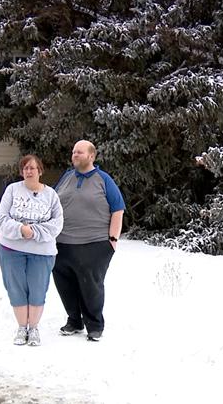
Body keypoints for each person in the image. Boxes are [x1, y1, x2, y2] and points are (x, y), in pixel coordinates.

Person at [53, 140, 125, 342]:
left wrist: (112, 239)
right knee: (64, 284)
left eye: (80, 152)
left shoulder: (103, 179)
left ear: (91, 156)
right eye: (73, 151)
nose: (75, 155)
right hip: (62, 243)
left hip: (94, 243)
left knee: (90, 286)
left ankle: (94, 325)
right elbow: (52, 203)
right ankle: (74, 321)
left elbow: (117, 209)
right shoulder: (66, 177)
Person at [0, 154, 63, 346]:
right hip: (11, 249)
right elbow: (1, 218)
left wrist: (33, 231)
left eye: (32, 168)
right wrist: (19, 230)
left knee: (37, 289)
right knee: (16, 288)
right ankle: (21, 327)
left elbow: (57, 223)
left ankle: (33, 328)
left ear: (40, 171)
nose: (29, 171)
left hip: (42, 252)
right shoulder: (12, 190)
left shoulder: (51, 195)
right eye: (25, 168)